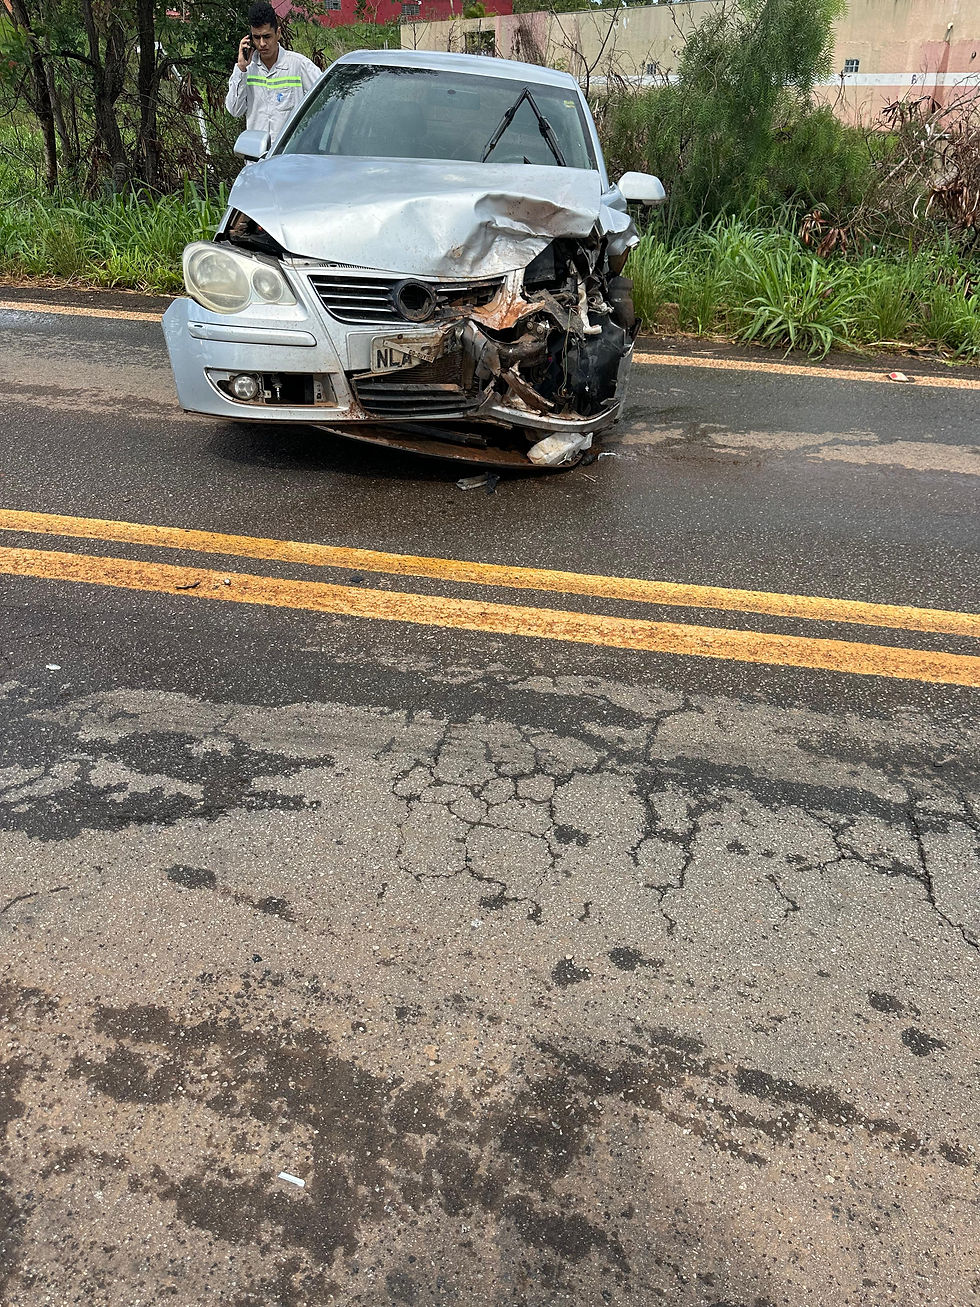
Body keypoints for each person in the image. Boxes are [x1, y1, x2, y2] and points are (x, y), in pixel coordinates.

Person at [225, 2, 322, 144]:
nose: (262, 43)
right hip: (257, 160)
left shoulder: (298, 65)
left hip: (288, 158)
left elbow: (326, 100)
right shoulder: (247, 69)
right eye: (257, 38)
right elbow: (234, 110)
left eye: (267, 36)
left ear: (278, 33)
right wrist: (241, 69)